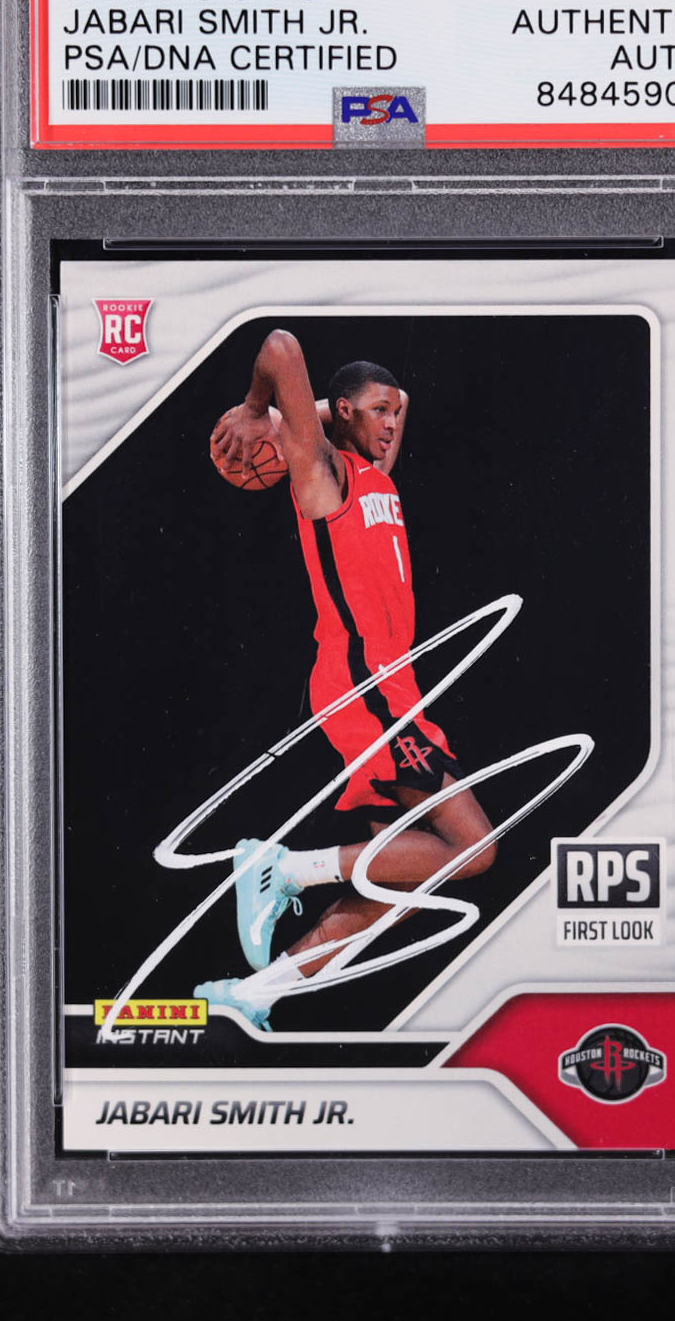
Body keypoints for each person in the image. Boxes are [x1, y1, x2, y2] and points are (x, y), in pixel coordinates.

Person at [196, 328, 495, 1029]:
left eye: (393, 412)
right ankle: (281, 868)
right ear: (347, 414)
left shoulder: (378, 471)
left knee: (400, 878)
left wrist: (338, 409)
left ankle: (258, 991)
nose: (392, 421)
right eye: (377, 411)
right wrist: (260, 412)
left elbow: (400, 398)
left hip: (392, 685)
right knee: (476, 848)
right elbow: (280, 347)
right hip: (366, 683)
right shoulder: (323, 475)